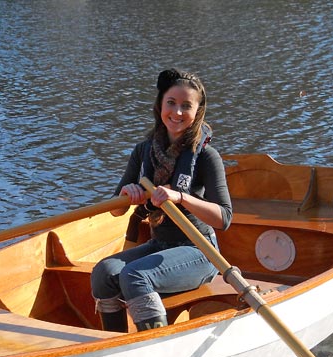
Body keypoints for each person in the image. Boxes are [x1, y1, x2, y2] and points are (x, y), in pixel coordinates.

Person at [91, 68, 232, 332]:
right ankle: (114, 343)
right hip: (160, 244)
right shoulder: (144, 151)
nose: (177, 113)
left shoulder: (206, 157)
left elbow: (224, 218)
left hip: (200, 251)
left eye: (186, 106)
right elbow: (116, 211)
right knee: (103, 272)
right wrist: (126, 196)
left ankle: (153, 344)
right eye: (171, 103)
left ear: (197, 112)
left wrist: (181, 197)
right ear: (160, 106)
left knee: (134, 276)